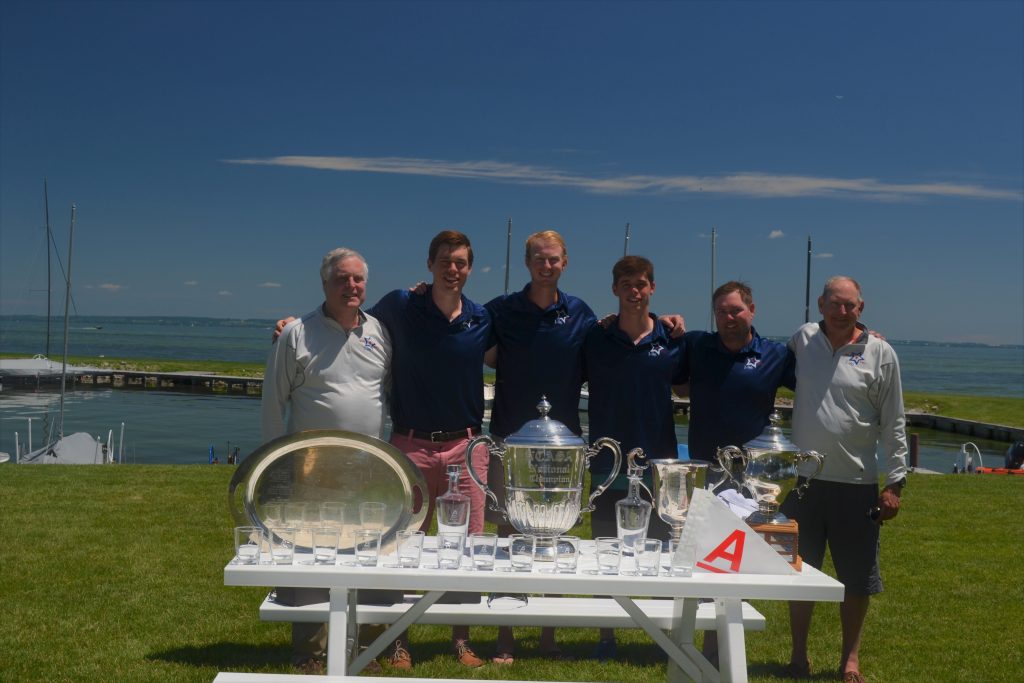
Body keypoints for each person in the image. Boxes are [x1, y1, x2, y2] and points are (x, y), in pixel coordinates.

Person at [261, 247, 392, 675]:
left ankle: (365, 649)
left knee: (366, 560)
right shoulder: (296, 334)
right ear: (325, 284)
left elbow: (383, 394)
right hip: (309, 471)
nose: (350, 286)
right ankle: (310, 653)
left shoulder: (380, 333)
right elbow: (272, 402)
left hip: (368, 471)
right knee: (310, 562)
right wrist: (272, 466)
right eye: (341, 279)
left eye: (357, 279)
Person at [367, 229, 493, 669]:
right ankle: (398, 640)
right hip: (409, 443)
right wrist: (295, 325)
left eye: (460, 262)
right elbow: (349, 322)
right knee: (402, 545)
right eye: (445, 261)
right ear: (429, 264)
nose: (452, 269)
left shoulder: (481, 318)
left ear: (470, 268)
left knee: (466, 547)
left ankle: (462, 639)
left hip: (466, 448)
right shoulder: (401, 305)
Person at [781, 276, 908, 683]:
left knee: (856, 579)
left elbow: (894, 424)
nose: (841, 311)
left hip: (857, 486)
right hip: (805, 483)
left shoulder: (881, 353)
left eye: (849, 305)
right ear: (821, 304)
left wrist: (895, 483)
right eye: (834, 303)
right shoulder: (802, 340)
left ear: (861, 308)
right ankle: (798, 657)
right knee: (799, 574)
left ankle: (850, 660)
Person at [483, 229, 597, 663]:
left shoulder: (582, 314)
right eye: (538, 259)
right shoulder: (500, 310)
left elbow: (614, 343)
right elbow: (452, 324)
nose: (546, 266)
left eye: (553, 259)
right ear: (527, 262)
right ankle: (505, 637)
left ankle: (549, 634)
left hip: (563, 447)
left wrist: (669, 324)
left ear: (565, 262)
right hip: (509, 440)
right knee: (508, 535)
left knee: (556, 534)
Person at [582, 255, 687, 660]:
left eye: (641, 283)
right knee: (606, 552)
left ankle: (668, 638)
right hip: (608, 466)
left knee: (662, 555)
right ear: (615, 289)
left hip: (659, 466)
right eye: (626, 283)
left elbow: (699, 381)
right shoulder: (596, 339)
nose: (634, 290)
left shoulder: (672, 341)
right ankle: (605, 635)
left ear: (652, 288)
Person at [679, 281, 796, 465]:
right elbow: (655, 341)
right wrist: (665, 320)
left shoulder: (776, 355)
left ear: (752, 310)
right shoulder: (695, 345)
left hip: (755, 468)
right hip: (703, 467)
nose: (729, 318)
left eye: (736, 311)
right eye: (721, 312)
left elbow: (812, 387)